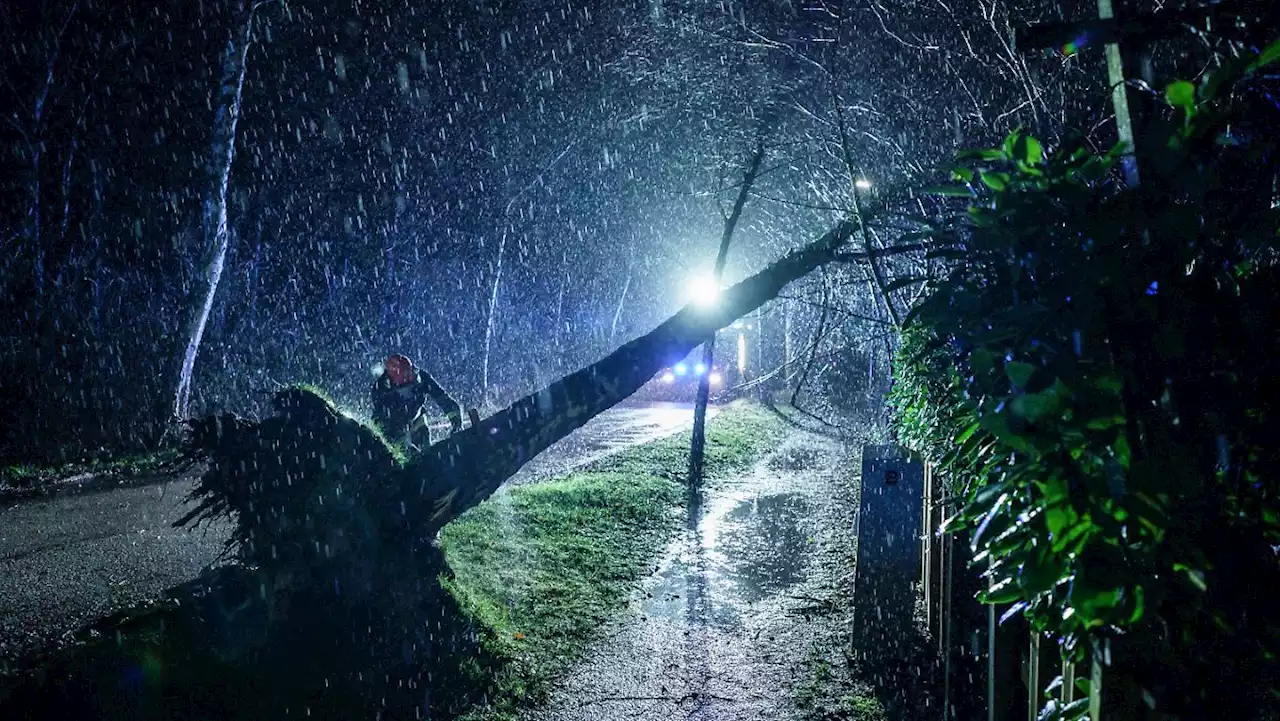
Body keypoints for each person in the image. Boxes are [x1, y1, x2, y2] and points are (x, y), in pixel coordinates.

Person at [371, 353, 463, 448]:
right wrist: (403, 444)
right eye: (405, 375)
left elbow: (444, 399)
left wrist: (457, 423)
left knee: (426, 449)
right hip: (390, 425)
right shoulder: (380, 391)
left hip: (416, 418)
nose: (410, 377)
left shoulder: (422, 378)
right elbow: (387, 422)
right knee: (399, 454)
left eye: (409, 372)